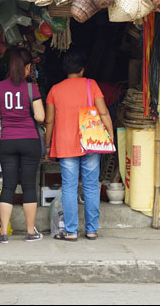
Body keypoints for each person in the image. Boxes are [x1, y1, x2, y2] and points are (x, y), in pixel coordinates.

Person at [44, 51, 114, 242]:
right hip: (90, 141)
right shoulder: (91, 85)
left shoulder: (55, 90)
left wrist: (47, 145)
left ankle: (71, 231)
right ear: (82, 69)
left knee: (69, 187)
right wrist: (110, 136)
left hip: (65, 143)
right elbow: (104, 113)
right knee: (91, 186)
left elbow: (49, 121)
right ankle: (91, 230)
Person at [0, 47, 45, 244]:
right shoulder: (31, 88)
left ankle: (3, 233)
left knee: (8, 185)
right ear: (26, 67)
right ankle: (30, 232)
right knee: (28, 185)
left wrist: (5, 113)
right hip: (29, 141)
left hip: (8, 142)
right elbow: (40, 116)